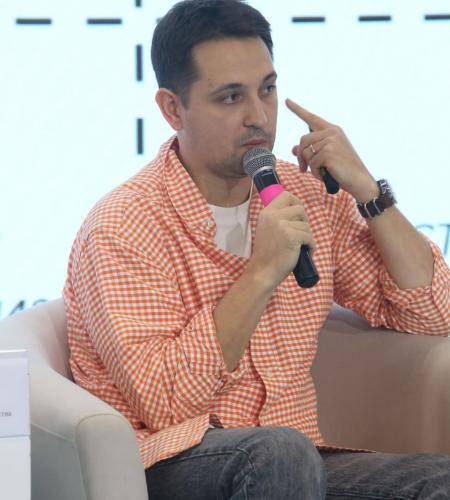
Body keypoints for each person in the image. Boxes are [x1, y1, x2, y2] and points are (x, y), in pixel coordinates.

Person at [63, 0, 450, 498]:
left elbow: (434, 314)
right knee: (280, 453)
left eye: (267, 89)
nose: (259, 117)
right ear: (172, 109)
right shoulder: (124, 225)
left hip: (300, 462)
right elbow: (164, 403)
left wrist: (369, 193)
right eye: (230, 97)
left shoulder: (307, 194)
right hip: (168, 462)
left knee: (436, 481)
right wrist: (262, 271)